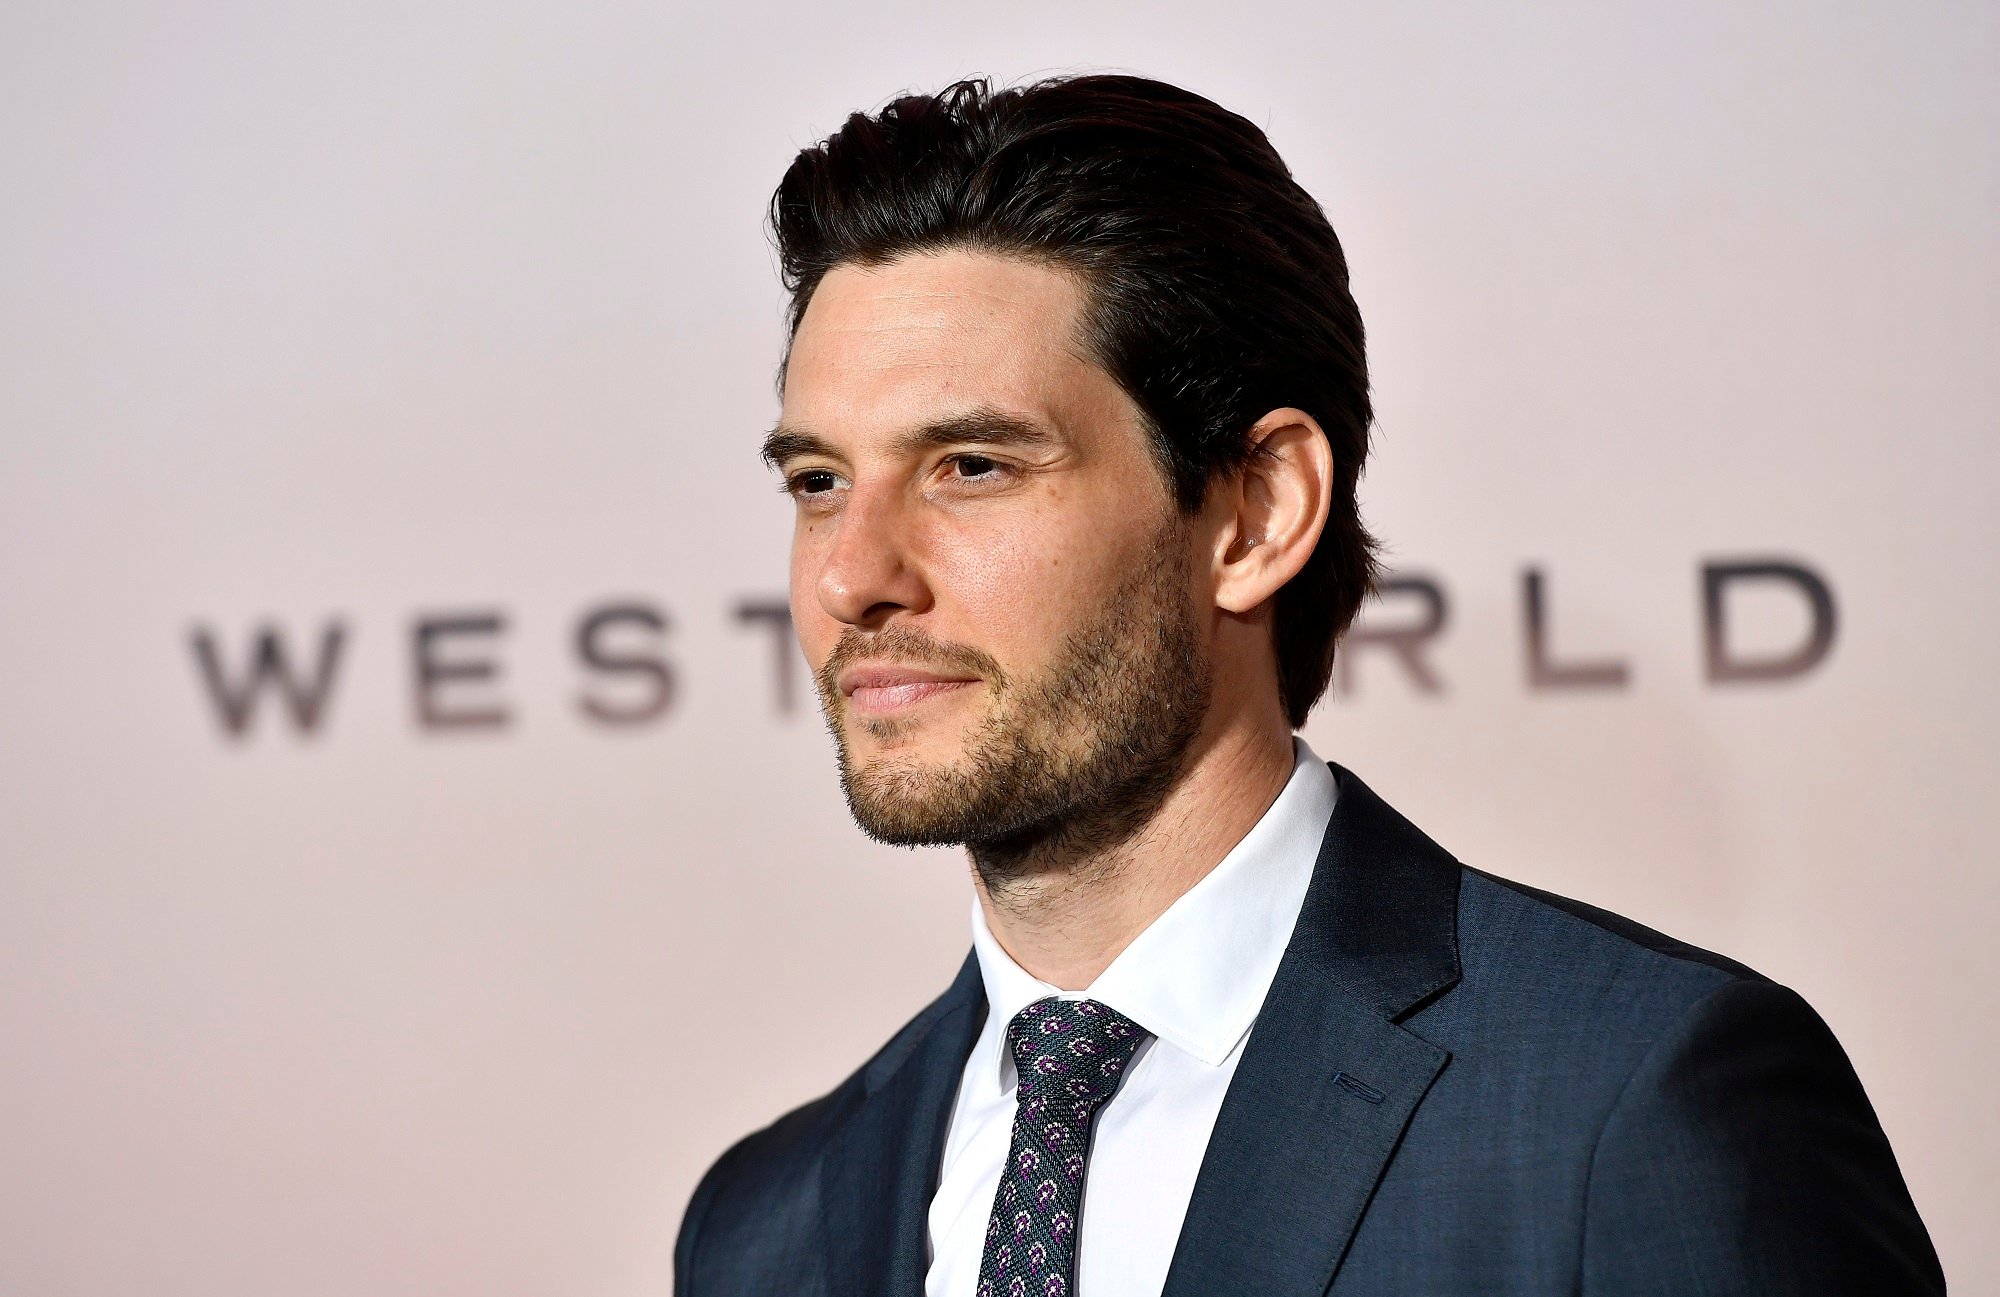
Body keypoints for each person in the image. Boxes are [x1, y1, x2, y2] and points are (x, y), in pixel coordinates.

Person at [673, 74, 1943, 1297]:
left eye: (971, 466)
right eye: (818, 482)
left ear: (1256, 512)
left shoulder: (1631, 1103)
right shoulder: (765, 1221)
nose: (852, 576)